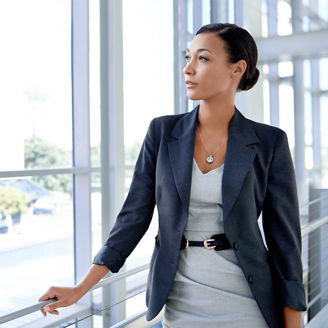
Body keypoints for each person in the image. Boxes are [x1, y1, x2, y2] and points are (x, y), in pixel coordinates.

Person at [39, 23, 306, 327]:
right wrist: (81, 288)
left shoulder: (269, 142)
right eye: (187, 57)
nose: (188, 69)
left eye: (202, 59)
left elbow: (285, 240)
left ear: (237, 69)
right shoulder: (162, 133)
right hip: (182, 301)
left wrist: (293, 318)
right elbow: (132, 218)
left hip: (248, 301)